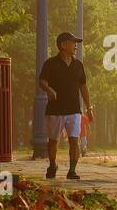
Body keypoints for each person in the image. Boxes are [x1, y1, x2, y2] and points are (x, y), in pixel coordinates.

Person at [38, 32, 91, 180]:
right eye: (73, 42)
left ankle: (72, 170)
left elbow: (83, 87)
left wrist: (89, 108)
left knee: (75, 140)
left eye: (76, 43)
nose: (76, 46)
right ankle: (53, 165)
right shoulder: (50, 63)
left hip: (74, 110)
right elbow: (42, 82)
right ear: (63, 45)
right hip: (55, 109)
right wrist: (49, 90)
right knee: (53, 140)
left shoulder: (78, 65)